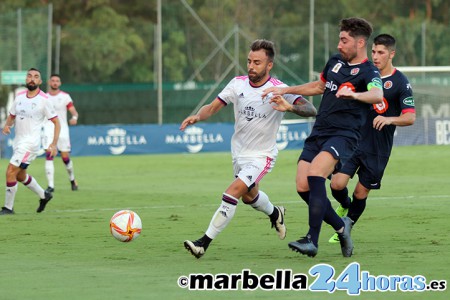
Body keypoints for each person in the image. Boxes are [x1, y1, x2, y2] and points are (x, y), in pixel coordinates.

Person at [180, 39, 317, 259]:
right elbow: (213, 107)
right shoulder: (237, 84)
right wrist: (198, 115)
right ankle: (275, 213)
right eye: (249, 61)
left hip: (262, 156)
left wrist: (289, 106)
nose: (251, 66)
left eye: (257, 62)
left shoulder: (280, 89)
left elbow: (310, 109)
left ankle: (203, 243)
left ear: (269, 65)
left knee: (232, 192)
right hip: (239, 153)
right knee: (249, 197)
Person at [262, 17, 383, 257]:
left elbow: (377, 95)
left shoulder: (369, 71)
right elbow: (319, 87)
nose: (339, 45)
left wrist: (355, 96)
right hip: (319, 131)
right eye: (340, 39)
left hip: (344, 135)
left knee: (316, 174)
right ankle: (341, 226)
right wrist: (285, 90)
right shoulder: (336, 61)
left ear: (360, 43)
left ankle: (311, 239)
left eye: (344, 40)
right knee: (302, 186)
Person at [328, 33, 416, 243]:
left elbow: (410, 117)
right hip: (355, 140)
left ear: (391, 54)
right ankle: (345, 204)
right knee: (336, 184)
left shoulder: (400, 82)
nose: (375, 56)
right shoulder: (366, 75)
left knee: (361, 191)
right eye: (374, 51)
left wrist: (389, 120)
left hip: (378, 148)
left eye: (381, 52)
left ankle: (346, 228)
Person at [0, 68, 61, 215]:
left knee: (10, 171)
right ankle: (44, 195)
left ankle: (8, 208)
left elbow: (56, 123)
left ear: (40, 81)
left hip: (30, 144)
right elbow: (12, 115)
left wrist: (53, 144)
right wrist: (7, 126)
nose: (32, 79)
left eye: (36, 77)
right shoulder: (19, 97)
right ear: (26, 80)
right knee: (20, 175)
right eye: (29, 76)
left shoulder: (44, 100)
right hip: (18, 142)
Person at [42, 74, 79, 193]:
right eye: (53, 80)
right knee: (49, 155)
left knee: (65, 158)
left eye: (57, 81)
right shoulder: (43, 97)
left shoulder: (65, 96)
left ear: (60, 83)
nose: (55, 83)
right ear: (49, 82)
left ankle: (72, 180)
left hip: (62, 130)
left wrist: (74, 117)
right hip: (48, 129)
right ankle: (51, 186)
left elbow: (73, 111)